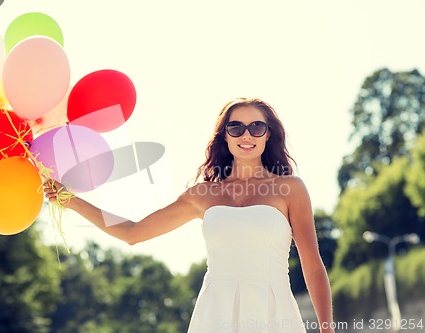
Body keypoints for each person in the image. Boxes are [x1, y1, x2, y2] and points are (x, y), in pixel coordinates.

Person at [44, 97, 335, 333]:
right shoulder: (202, 195)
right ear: (225, 136)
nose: (246, 135)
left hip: (273, 310)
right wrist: (70, 201)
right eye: (236, 128)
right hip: (215, 314)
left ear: (268, 134)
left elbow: (312, 267)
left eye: (256, 127)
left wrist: (327, 330)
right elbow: (133, 233)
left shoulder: (289, 188)